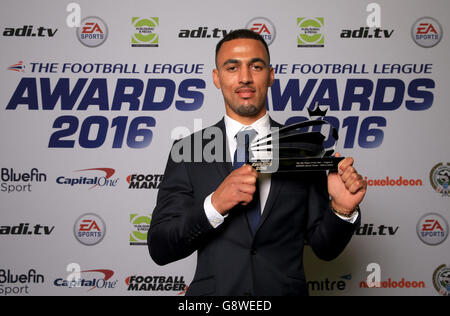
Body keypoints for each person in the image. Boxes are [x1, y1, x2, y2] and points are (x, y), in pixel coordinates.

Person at [148, 29, 367, 296]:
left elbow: (325, 249)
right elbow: (161, 248)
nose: (245, 78)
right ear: (217, 78)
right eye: (232, 67)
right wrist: (215, 204)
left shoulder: (305, 149)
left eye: (256, 66)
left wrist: (342, 210)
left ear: (270, 75)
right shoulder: (189, 149)